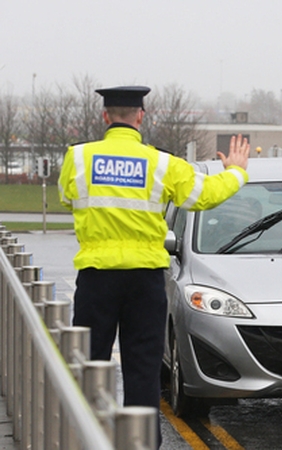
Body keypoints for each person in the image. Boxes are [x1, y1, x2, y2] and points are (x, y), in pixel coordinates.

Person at [58, 86, 250, 444]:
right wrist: (236, 172)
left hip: (96, 278)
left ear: (105, 116)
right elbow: (204, 196)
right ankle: (142, 444)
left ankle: (84, 440)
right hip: (144, 282)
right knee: (143, 370)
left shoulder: (78, 157)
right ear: (141, 117)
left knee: (87, 366)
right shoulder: (162, 163)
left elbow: (67, 198)